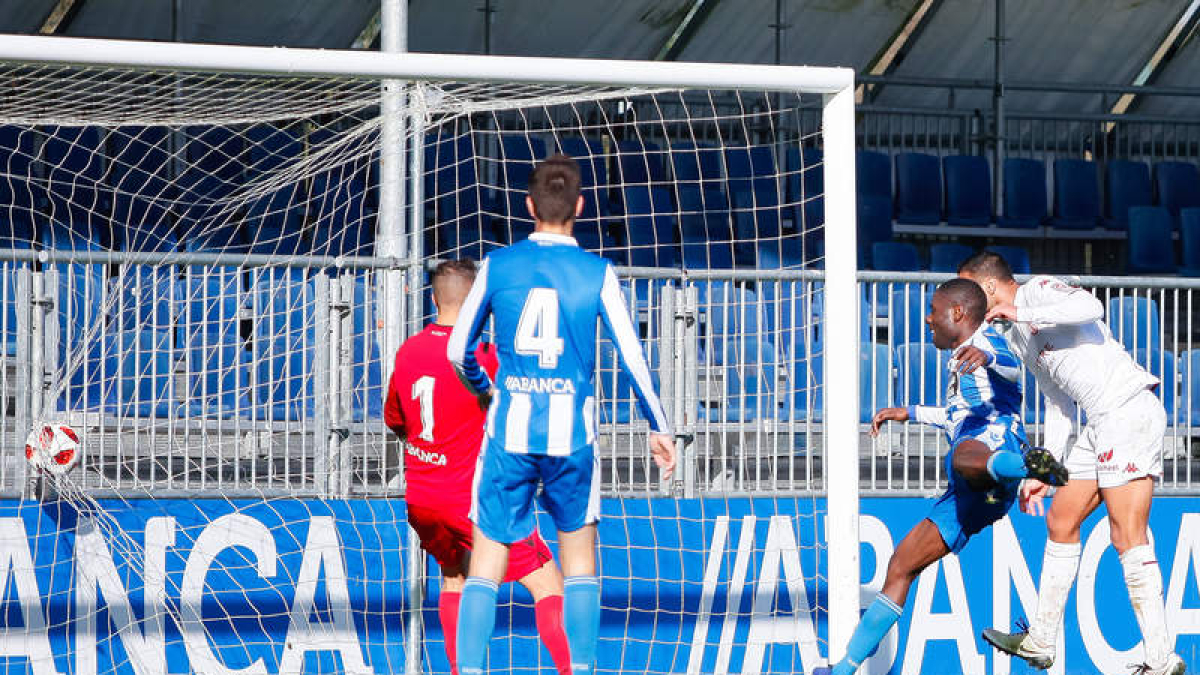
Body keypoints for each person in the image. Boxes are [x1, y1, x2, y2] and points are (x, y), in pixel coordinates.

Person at [447, 154, 676, 675]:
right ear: (581, 206)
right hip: (572, 436)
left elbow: (459, 350)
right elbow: (632, 356)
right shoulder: (598, 273)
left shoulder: (498, 265)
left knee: (486, 562)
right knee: (579, 565)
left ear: (529, 205)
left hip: (509, 433)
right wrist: (658, 427)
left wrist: (485, 390)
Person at [816, 279, 1068, 675]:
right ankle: (842, 670)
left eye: (933, 310)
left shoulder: (986, 342)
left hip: (995, 443)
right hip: (971, 491)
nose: (927, 319)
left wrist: (988, 358)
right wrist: (910, 412)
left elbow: (1012, 368)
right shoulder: (960, 362)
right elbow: (955, 415)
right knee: (901, 565)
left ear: (958, 313)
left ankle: (1027, 467)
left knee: (963, 455)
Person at [959, 252, 1184, 675]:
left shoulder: (1039, 291)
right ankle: (1041, 640)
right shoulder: (1018, 336)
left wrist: (1021, 310)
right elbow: (1057, 402)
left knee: (1127, 535)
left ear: (989, 286)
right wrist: (1046, 467)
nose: (967, 300)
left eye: (971, 289)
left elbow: (1091, 307)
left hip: (1127, 410)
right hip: (1099, 423)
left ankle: (1161, 659)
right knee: (1060, 521)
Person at [384, 259, 572, 675]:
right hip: (472, 500)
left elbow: (396, 420)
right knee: (548, 584)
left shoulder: (409, 351)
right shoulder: (484, 358)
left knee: (455, 579)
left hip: (423, 497)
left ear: (434, 299)